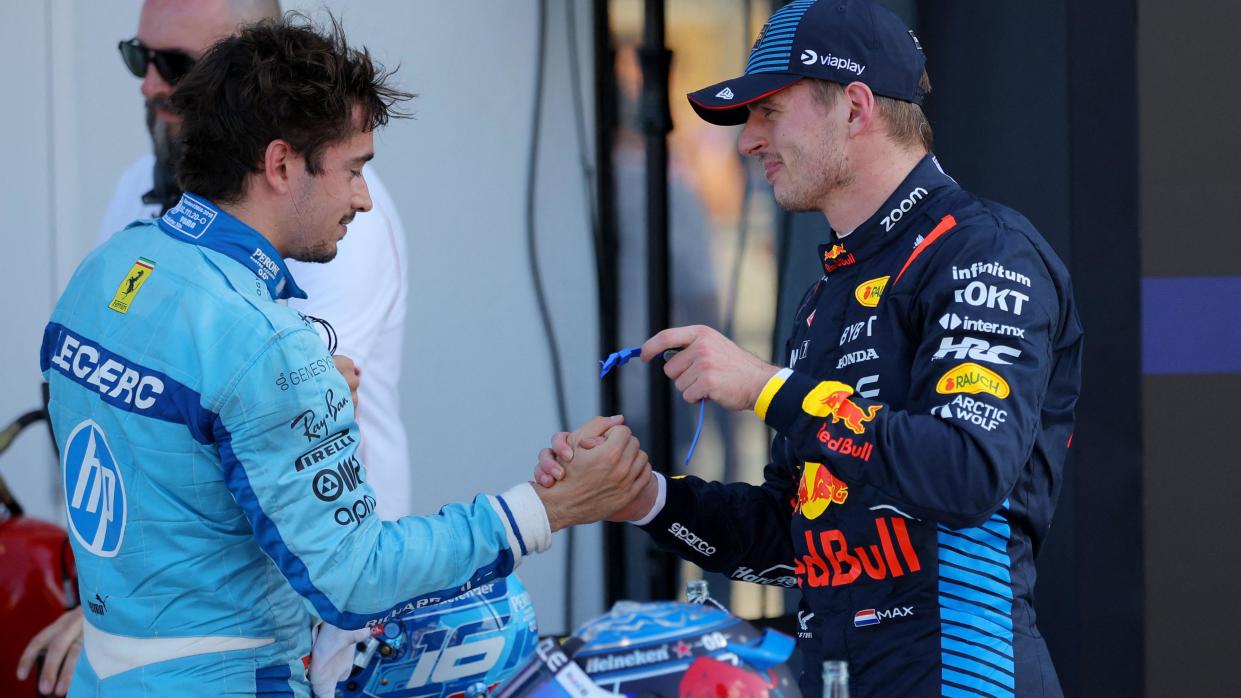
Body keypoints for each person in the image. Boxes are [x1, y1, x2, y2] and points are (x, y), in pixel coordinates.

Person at [36, 16, 650, 696]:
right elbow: (354, 581)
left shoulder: (107, 266)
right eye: (354, 169)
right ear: (279, 165)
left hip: (106, 671)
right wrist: (546, 509)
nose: (362, 198)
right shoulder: (268, 342)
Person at [537, 1, 1083, 696]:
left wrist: (768, 387)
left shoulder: (982, 254)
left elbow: (965, 472)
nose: (746, 141)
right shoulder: (828, 292)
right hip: (838, 676)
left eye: (769, 111)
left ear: (854, 108)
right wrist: (644, 498)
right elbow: (795, 536)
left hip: (962, 678)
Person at [99, 0, 415, 522]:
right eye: (140, 57)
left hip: (323, 572)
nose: (149, 85)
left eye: (175, 65)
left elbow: (272, 420)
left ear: (253, 73)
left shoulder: (331, 217)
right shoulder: (136, 185)